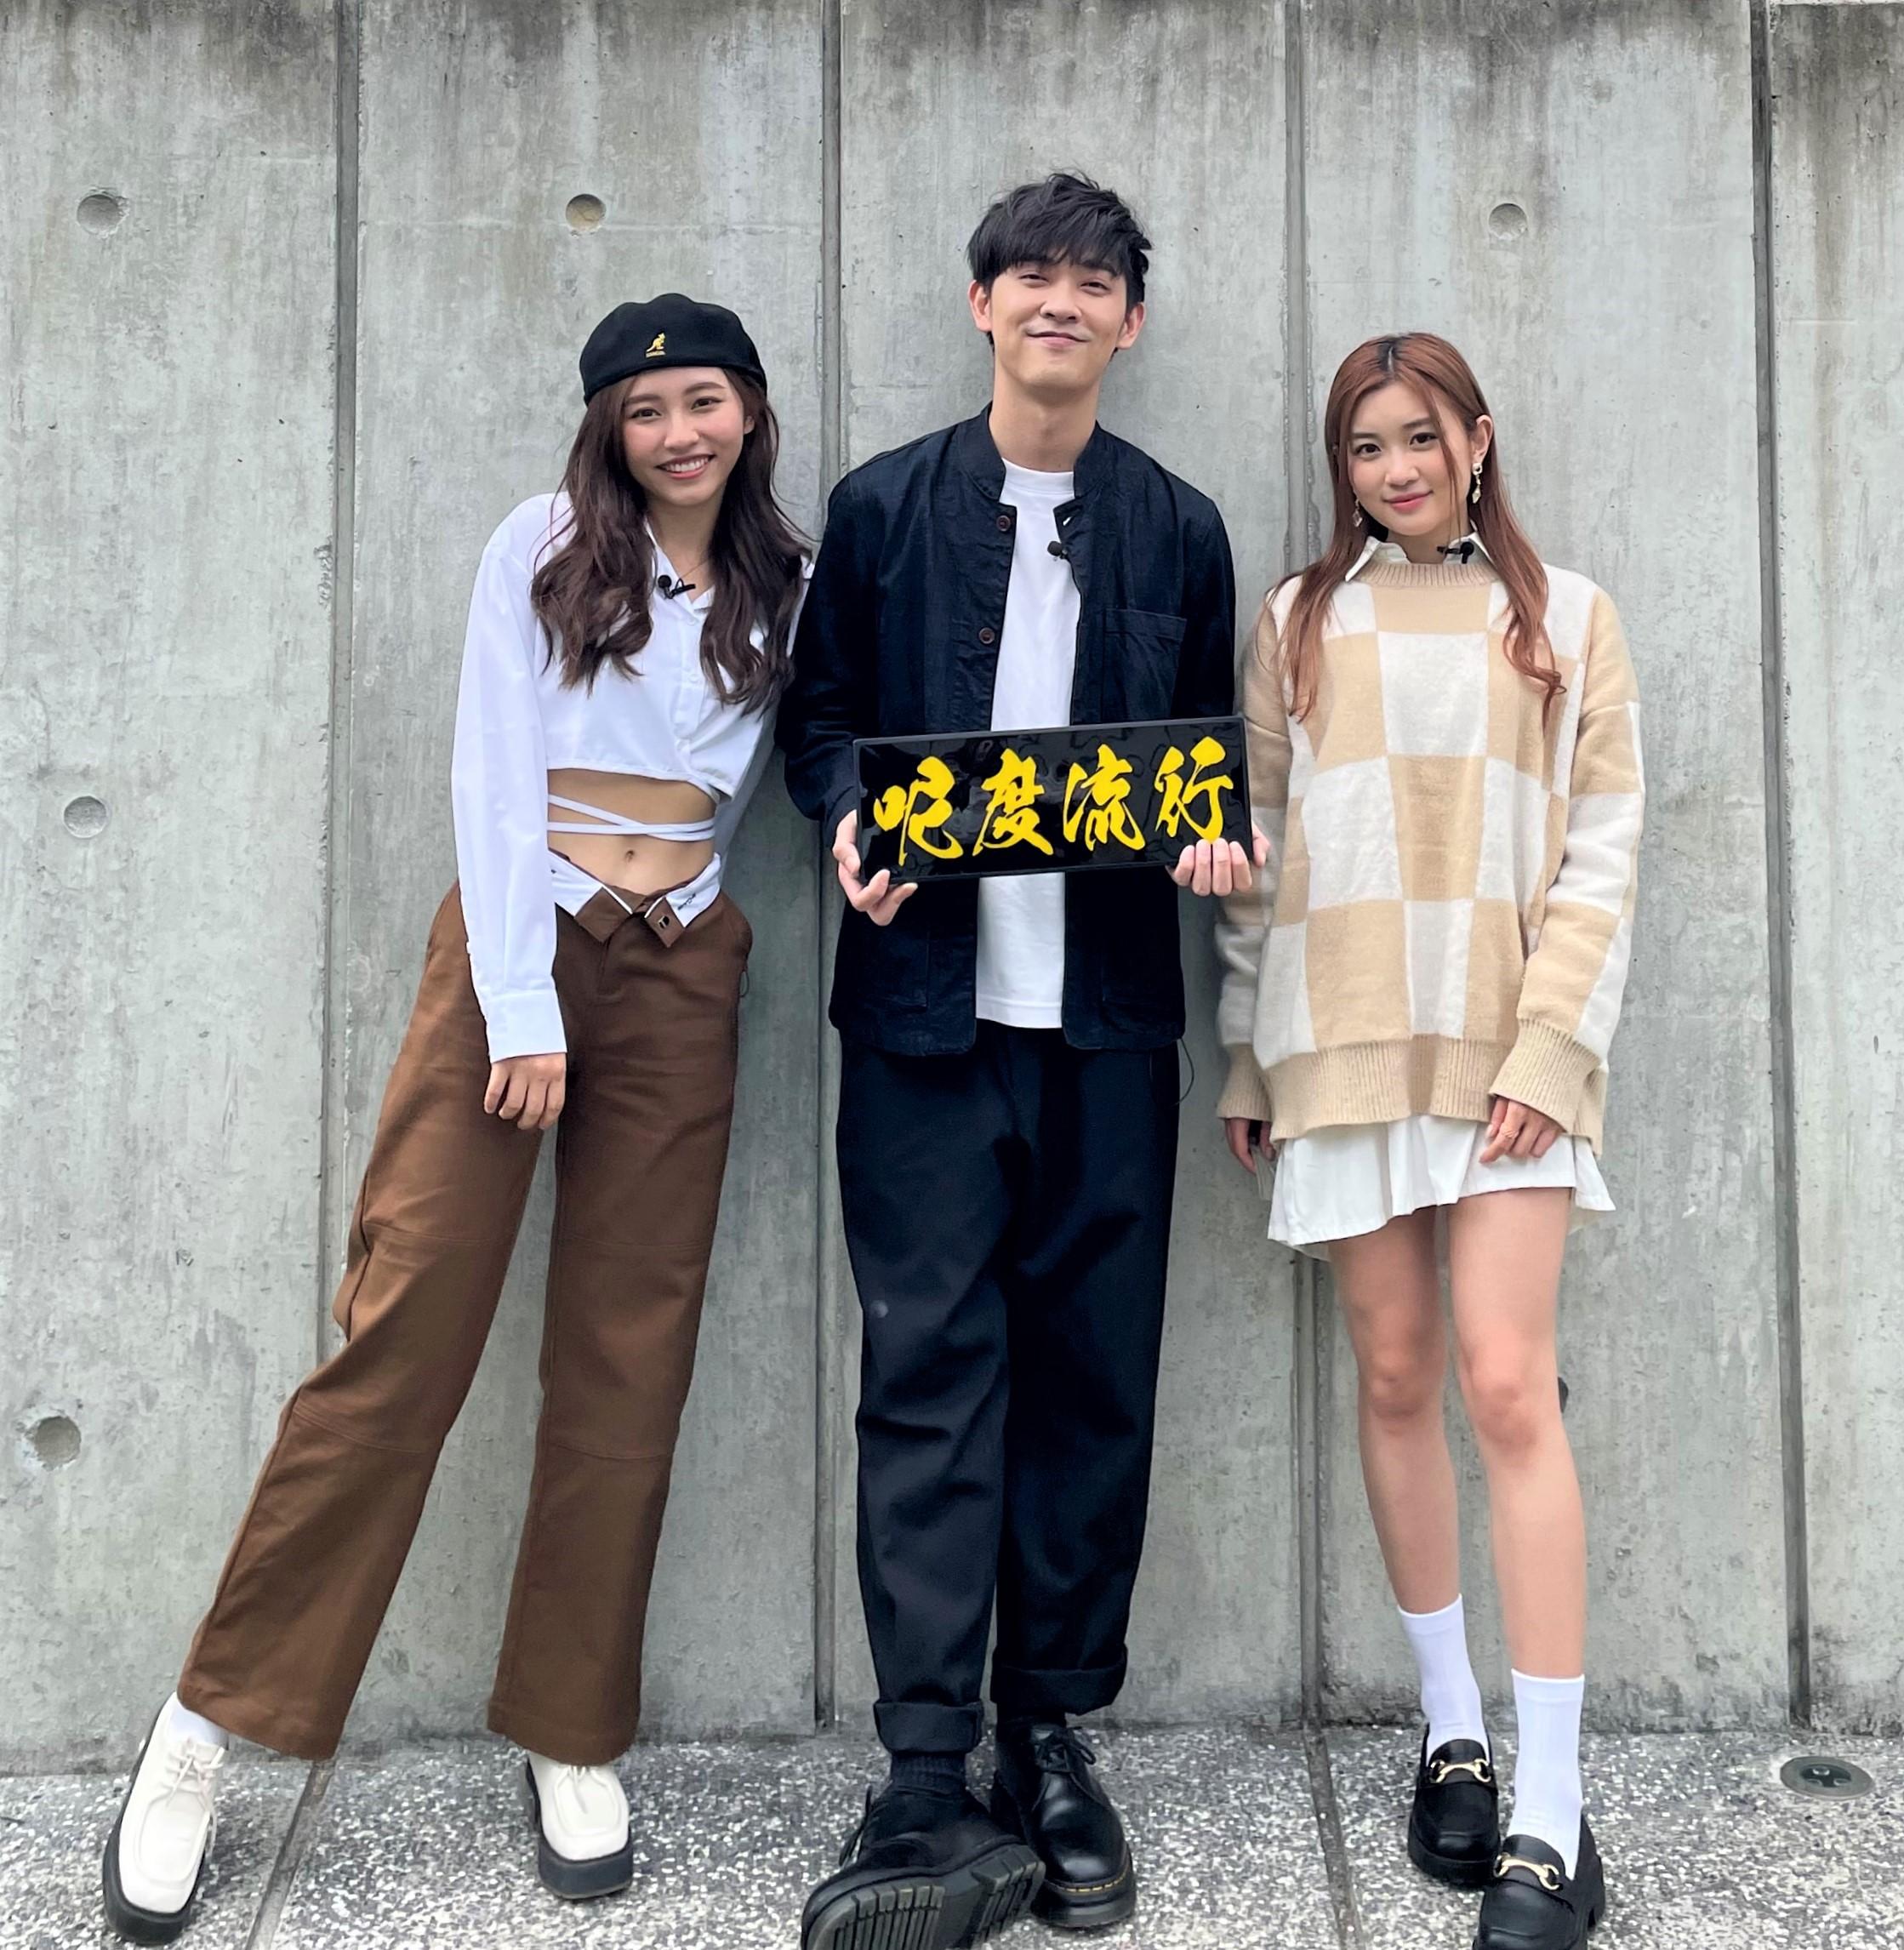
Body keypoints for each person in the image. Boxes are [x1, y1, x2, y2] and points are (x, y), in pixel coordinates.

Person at [100, 295, 807, 1942]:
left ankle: (570, 1728)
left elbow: (777, 772)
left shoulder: (788, 577)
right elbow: (494, 769)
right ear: (609, 427)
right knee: (404, 1329)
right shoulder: (543, 545)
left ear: (751, 412)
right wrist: (522, 1002)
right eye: (648, 411)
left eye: (706, 402)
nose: (680, 434)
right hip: (522, 942)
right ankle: (205, 1727)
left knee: (631, 1354)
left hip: (684, 959)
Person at [779, 172, 1256, 1950]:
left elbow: (1208, 751)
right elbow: (822, 721)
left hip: (1110, 1025)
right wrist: (847, 819)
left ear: (1130, 321)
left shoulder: (1179, 527)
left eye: (1093, 281)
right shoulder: (883, 508)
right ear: (981, 304)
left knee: (1091, 1379)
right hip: (924, 1020)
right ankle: (923, 1768)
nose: (1060, 301)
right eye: (1030, 275)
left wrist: (1217, 844)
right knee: (927, 1378)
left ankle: (1047, 1734)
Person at [1216, 332, 1643, 1950]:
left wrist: (1552, 1043)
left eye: (1418, 438)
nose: (1394, 470)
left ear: (1477, 439)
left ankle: (1551, 1812)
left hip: (1506, 1055)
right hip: (1335, 1044)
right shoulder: (1294, 619)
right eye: (1363, 448)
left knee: (1505, 1386)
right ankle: (1450, 1733)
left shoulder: (1569, 617)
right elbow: (1254, 849)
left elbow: (1602, 848)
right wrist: (1245, 1055)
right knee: (1392, 1378)